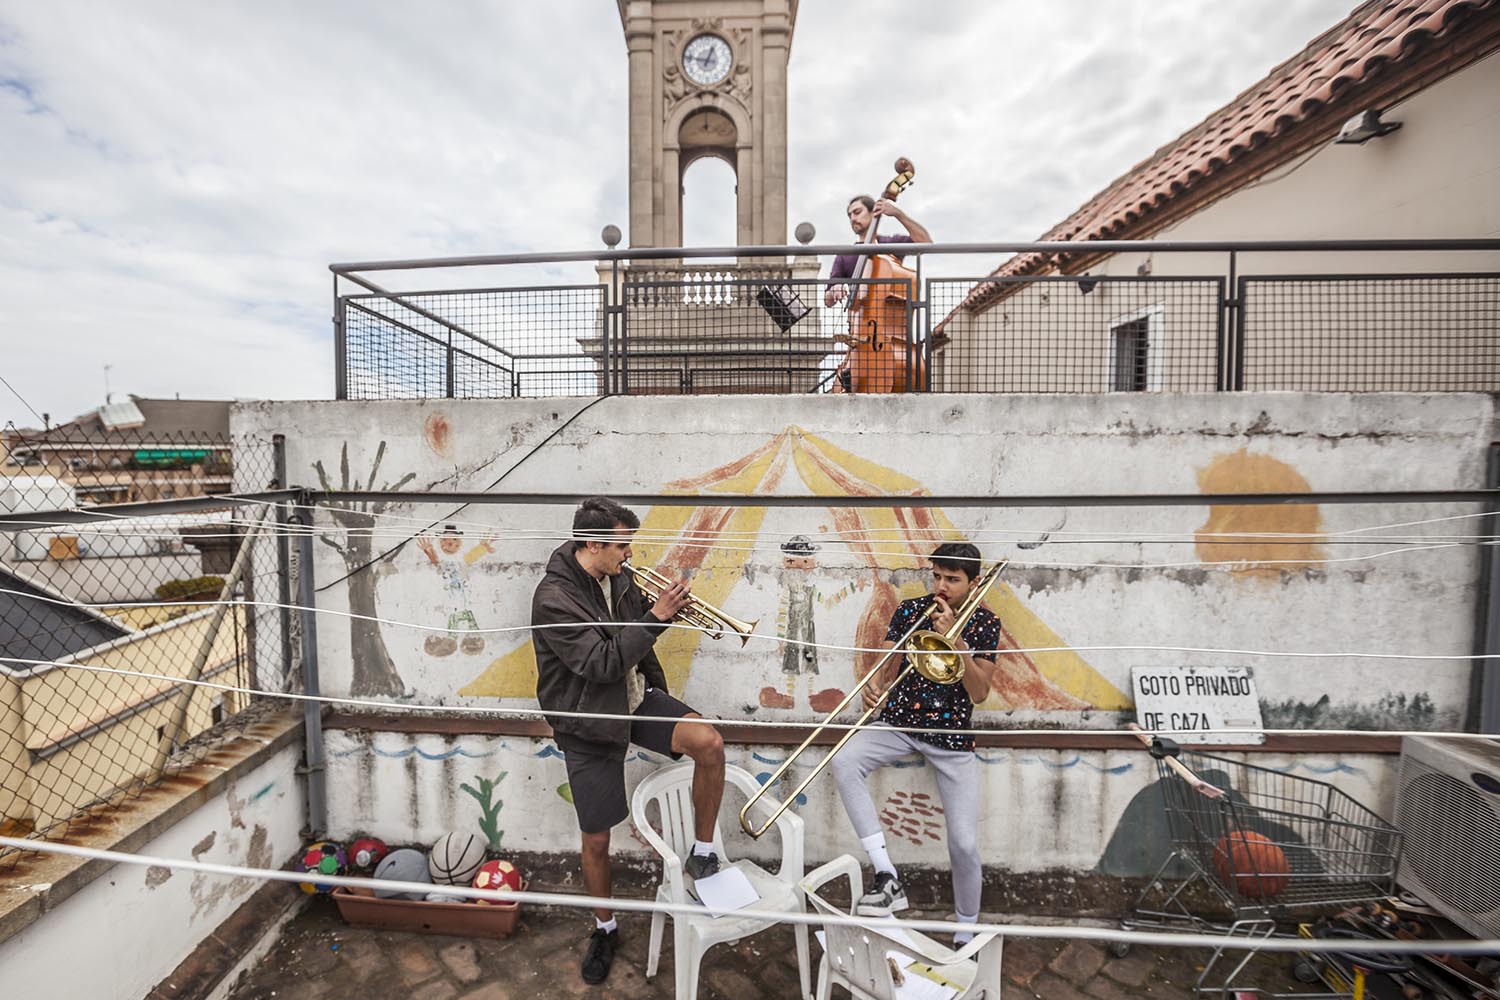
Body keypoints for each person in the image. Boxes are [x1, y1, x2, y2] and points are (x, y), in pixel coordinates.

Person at [532, 496, 727, 985]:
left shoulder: (618, 577)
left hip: (634, 698)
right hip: (589, 719)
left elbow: (635, 630)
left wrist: (668, 610)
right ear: (593, 543)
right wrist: (656, 617)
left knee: (709, 743)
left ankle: (703, 852)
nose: (630, 554)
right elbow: (600, 663)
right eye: (622, 546)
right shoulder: (553, 598)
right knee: (597, 839)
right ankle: (605, 928)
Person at [829, 542, 999, 944]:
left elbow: (979, 693)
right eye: (936, 576)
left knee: (964, 843)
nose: (941, 586)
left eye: (952, 579)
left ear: (974, 583)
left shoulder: (985, 623)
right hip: (900, 723)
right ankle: (886, 873)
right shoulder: (911, 610)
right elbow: (884, 663)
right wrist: (873, 688)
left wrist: (956, 643)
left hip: (951, 736)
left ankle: (965, 928)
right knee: (843, 760)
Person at [823, 194, 932, 308]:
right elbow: (828, 301)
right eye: (850, 215)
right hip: (857, 316)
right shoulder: (845, 255)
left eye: (857, 212)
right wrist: (834, 290)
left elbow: (925, 243)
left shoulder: (890, 244)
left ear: (873, 212)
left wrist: (898, 214)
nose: (852, 219)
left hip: (890, 315)